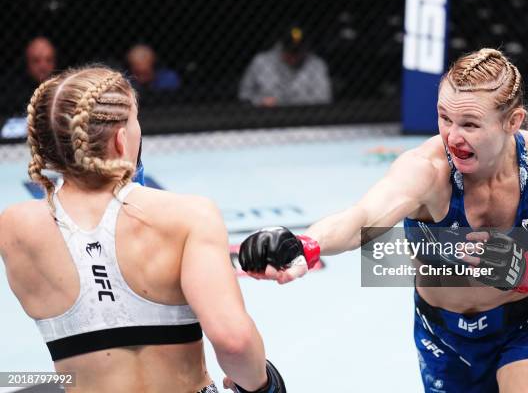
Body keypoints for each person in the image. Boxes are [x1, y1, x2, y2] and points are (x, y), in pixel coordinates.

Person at [238, 48, 528, 392]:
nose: (453, 137)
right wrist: (307, 245)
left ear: (513, 122)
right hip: (444, 337)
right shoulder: (427, 170)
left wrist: (525, 272)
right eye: (444, 118)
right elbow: (364, 216)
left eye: (470, 125)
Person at [0, 66, 285, 393]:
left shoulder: (15, 227)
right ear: (121, 139)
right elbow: (233, 341)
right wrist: (264, 386)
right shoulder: (188, 215)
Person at [238, 26, 332, 107]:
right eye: (290, 51)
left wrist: (281, 102)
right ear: (281, 46)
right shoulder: (261, 62)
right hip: (265, 119)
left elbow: (324, 98)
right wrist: (260, 101)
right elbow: (244, 96)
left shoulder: (317, 65)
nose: (294, 56)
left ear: (306, 48)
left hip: (305, 121)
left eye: (298, 51)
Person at [1, 37, 57, 137]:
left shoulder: (62, 89)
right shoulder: (11, 91)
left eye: (48, 60)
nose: (43, 66)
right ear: (27, 63)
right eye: (36, 61)